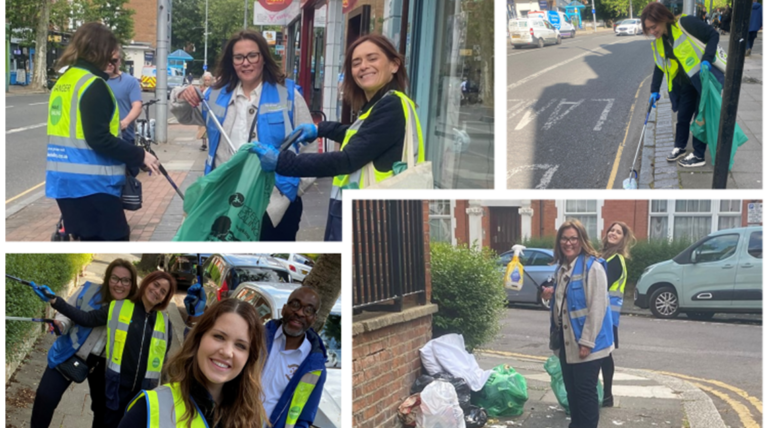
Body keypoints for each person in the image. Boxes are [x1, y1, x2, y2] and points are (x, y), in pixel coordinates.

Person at [252, 33, 426, 241]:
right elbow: (362, 137)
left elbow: (347, 160)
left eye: (372, 58)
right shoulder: (379, 105)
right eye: (356, 62)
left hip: (371, 219)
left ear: (394, 65)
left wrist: (282, 162)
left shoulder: (391, 106)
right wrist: (321, 129)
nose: (363, 66)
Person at [171, 30, 316, 242]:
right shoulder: (216, 94)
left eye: (252, 56)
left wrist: (293, 191)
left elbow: (309, 148)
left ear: (263, 58)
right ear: (232, 62)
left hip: (274, 206)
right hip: (223, 201)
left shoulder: (289, 95)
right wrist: (181, 94)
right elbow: (185, 115)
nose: (245, 63)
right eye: (238, 57)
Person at [45, 22, 160, 241]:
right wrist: (140, 155)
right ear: (100, 50)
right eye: (112, 52)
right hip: (92, 185)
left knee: (86, 238)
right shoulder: (93, 85)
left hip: (64, 182)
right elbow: (99, 138)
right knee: (115, 237)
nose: (114, 57)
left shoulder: (65, 81)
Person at [34, 271, 176, 426]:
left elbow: (164, 361)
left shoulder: (165, 323)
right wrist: (55, 300)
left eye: (163, 292)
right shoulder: (118, 307)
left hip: (142, 392)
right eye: (156, 285)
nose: (157, 291)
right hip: (117, 390)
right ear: (147, 282)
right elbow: (86, 318)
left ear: (165, 299)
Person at [119, 299, 270, 428]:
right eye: (219, 337)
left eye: (240, 345)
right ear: (199, 338)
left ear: (249, 358)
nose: (227, 351)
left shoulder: (254, 417)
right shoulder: (149, 409)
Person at [29, 259, 138, 428]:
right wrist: (61, 324)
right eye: (114, 278)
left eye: (126, 280)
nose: (119, 285)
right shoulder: (88, 290)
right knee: (45, 398)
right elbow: (68, 313)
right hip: (71, 353)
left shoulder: (133, 308)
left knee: (102, 412)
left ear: (132, 284)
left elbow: (87, 319)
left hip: (104, 366)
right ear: (107, 278)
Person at [543, 220, 614, 428]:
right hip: (567, 344)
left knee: (585, 396)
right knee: (572, 393)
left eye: (574, 238)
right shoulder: (562, 268)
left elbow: (597, 307)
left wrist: (587, 342)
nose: (569, 243)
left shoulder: (593, 267)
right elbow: (564, 304)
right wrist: (550, 295)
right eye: (564, 238)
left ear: (582, 240)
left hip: (587, 346)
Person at [642, 2, 724, 169]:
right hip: (686, 82)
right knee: (683, 116)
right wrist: (654, 90)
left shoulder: (685, 24)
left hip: (703, 78)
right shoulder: (660, 41)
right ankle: (680, 147)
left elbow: (713, 35)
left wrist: (707, 59)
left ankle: (699, 155)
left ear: (663, 18)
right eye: (648, 29)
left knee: (700, 118)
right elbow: (659, 66)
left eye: (653, 26)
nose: (652, 31)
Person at [263, 286, 328, 427]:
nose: (299, 312)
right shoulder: (257, 338)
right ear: (284, 308)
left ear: (314, 319)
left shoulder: (314, 368)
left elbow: (304, 418)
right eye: (295, 305)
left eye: (308, 310)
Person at [598, 221, 636, 408]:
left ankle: (606, 395)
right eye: (611, 230)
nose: (613, 233)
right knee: (603, 355)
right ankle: (605, 396)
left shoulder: (614, 261)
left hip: (606, 315)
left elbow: (600, 286)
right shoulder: (606, 256)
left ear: (623, 238)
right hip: (605, 314)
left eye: (618, 232)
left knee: (604, 355)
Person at [105, 51, 142, 147]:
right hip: (102, 136)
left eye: (114, 60)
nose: (110, 63)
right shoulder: (95, 80)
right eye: (106, 59)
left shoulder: (130, 81)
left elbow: (137, 106)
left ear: (119, 62)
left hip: (124, 137)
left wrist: (125, 122)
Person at [196, 71, 214, 151]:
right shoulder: (201, 88)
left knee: (211, 128)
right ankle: (204, 144)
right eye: (205, 80)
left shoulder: (214, 88)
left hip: (211, 110)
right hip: (203, 110)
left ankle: (212, 143)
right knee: (203, 127)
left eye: (208, 80)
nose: (207, 81)